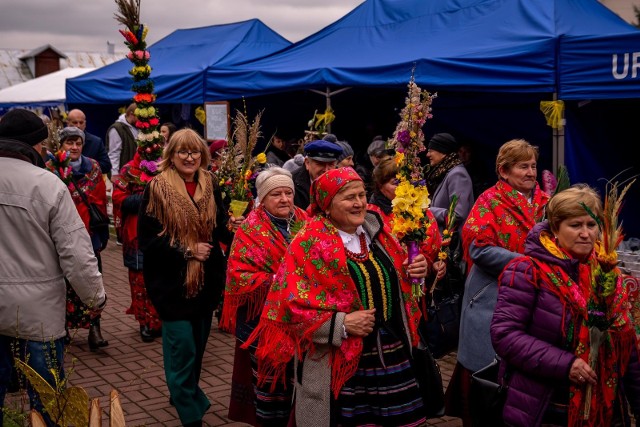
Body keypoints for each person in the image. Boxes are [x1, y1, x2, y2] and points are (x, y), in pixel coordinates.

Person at [247, 167, 431, 427]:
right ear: (327, 205)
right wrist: (341, 324)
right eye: (348, 197)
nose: (359, 204)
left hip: (390, 352)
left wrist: (418, 271)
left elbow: (399, 281)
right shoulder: (307, 244)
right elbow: (291, 308)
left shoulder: (378, 232)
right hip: (340, 365)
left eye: (361, 195)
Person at [492, 185, 640, 426]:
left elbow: (628, 346)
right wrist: (566, 364)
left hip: (605, 407)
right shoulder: (528, 271)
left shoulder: (608, 275)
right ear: (555, 229)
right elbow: (505, 335)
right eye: (575, 225)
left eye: (591, 225)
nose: (586, 234)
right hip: (548, 408)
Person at [0, 109, 106, 426]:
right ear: (35, 145)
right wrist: (95, 298)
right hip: (38, 315)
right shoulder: (48, 185)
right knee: (45, 402)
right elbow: (76, 252)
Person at [446, 138, 549, 425]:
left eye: (533, 166)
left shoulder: (546, 203)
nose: (530, 172)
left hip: (535, 298)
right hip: (491, 294)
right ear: (504, 171)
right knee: (487, 374)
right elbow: (479, 248)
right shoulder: (489, 200)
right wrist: (526, 264)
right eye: (522, 166)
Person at [138, 128, 235, 427]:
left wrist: (234, 229)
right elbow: (148, 241)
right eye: (182, 151)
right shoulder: (157, 188)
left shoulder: (210, 183)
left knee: (198, 347)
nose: (189, 157)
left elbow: (218, 226)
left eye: (195, 151)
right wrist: (187, 250)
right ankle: (191, 413)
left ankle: (183, 392)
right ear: (171, 155)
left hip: (206, 282)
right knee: (183, 349)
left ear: (203, 155)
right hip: (172, 284)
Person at [222, 167, 307, 426]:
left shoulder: (306, 220)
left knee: (300, 385)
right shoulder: (250, 229)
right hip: (262, 325)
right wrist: (277, 282)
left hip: (302, 322)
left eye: (288, 193)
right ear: (262, 199)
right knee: (271, 389)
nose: (284, 199)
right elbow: (238, 276)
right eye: (276, 194)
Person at [45, 127, 110, 351]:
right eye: (69, 143)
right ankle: (61, 329)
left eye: (78, 143)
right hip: (60, 234)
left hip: (88, 235)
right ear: (61, 145)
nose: (74, 147)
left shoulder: (92, 167)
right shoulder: (51, 168)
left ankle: (95, 329)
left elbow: (100, 197)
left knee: (92, 280)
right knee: (62, 283)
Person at [368, 157, 445, 283]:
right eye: (395, 183)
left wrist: (435, 265)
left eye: (404, 182)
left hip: (421, 287)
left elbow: (436, 250)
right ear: (380, 186)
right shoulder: (371, 216)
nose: (403, 187)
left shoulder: (420, 211)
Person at [112, 151, 162, 342]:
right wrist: (147, 198)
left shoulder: (166, 167)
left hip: (161, 234)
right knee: (139, 281)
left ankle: (160, 320)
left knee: (161, 278)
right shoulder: (128, 170)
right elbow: (118, 198)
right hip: (135, 235)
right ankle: (145, 322)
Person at [425, 133, 474, 232]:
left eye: (431, 151)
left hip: (451, 242)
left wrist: (427, 211)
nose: (427, 154)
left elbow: (458, 214)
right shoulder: (446, 173)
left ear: (443, 152)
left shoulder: (458, 174)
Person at [291, 139, 342, 209]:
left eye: (331, 164)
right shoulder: (291, 184)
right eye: (320, 164)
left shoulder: (341, 182)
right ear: (307, 163)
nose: (326, 170)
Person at [66, 108, 112, 176]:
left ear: (85, 124)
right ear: (68, 123)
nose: (78, 126)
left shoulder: (96, 142)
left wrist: (88, 166)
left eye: (81, 122)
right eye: (75, 122)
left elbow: (106, 165)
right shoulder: (60, 140)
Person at [107, 103, 138, 182]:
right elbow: (114, 153)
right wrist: (114, 174)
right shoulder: (117, 129)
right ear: (131, 114)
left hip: (135, 173)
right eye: (140, 117)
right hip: (122, 174)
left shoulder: (137, 127)